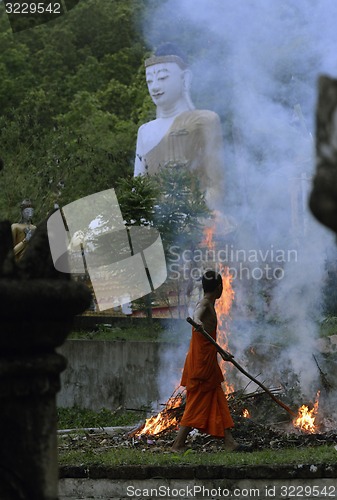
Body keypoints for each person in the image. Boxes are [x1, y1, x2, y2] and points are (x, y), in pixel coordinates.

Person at [134, 43, 225, 207]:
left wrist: (195, 214)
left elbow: (215, 185)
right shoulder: (145, 131)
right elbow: (139, 188)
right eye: (149, 81)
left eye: (162, 78)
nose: (155, 86)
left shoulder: (205, 121)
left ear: (185, 78)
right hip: (156, 220)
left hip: (194, 218)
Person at [171, 270, 249, 452]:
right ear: (220, 287)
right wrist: (197, 321)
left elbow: (209, 340)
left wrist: (222, 353)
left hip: (208, 361)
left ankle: (230, 442)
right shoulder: (205, 303)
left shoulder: (210, 304)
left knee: (218, 400)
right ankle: (177, 444)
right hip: (201, 365)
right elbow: (197, 313)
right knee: (196, 402)